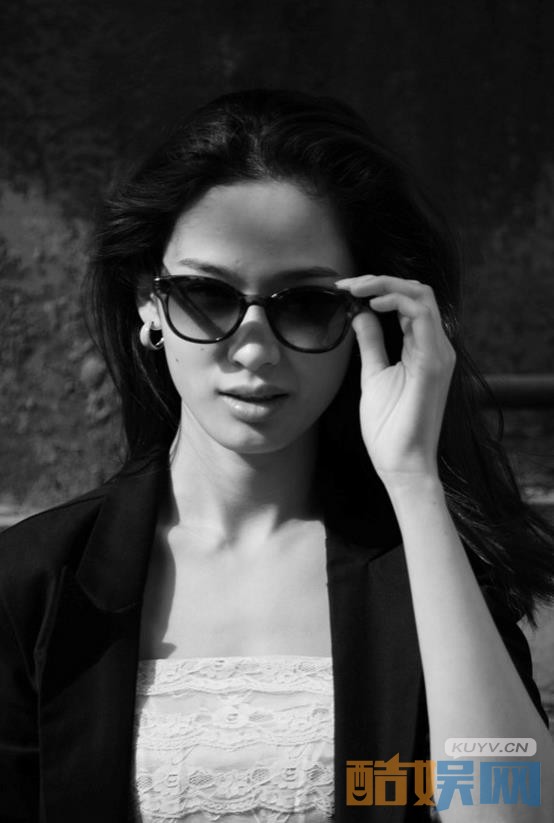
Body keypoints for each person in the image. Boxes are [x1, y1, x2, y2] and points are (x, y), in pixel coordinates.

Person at [1, 89, 553, 823]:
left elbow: (504, 811)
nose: (253, 349)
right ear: (148, 303)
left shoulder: (425, 572)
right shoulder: (34, 581)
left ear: (368, 319)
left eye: (306, 303)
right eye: (207, 295)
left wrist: (414, 481)